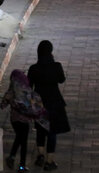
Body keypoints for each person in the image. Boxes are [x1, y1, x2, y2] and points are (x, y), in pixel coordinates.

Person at [28, 40, 70, 171]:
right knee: (52, 132)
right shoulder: (56, 66)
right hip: (54, 102)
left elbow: (29, 87)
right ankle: (49, 161)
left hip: (39, 103)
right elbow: (61, 80)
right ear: (50, 52)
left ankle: (40, 155)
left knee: (40, 129)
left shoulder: (33, 68)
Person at [1, 69, 48, 172]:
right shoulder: (27, 91)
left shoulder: (11, 92)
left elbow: (2, 106)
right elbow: (36, 104)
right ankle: (21, 166)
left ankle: (12, 158)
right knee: (24, 142)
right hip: (25, 121)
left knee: (19, 137)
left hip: (14, 121)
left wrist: (8, 100)